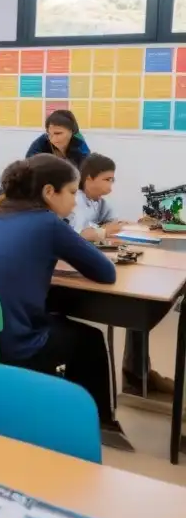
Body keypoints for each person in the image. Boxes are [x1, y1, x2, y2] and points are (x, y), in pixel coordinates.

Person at [0, 155, 128, 446]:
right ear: (48, 192)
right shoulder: (47, 223)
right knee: (90, 339)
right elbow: (106, 272)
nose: (74, 202)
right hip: (10, 345)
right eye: (71, 192)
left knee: (54, 320)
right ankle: (100, 426)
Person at [69, 154, 175, 400]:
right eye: (107, 180)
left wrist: (107, 229)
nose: (111, 186)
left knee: (141, 298)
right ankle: (136, 374)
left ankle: (137, 372)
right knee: (136, 302)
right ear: (89, 178)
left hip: (95, 260)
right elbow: (77, 233)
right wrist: (103, 231)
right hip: (79, 274)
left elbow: (111, 222)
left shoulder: (97, 201)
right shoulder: (76, 201)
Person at [26, 109, 90, 167]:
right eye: (49, 133)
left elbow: (87, 172)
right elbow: (27, 168)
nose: (52, 139)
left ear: (71, 131)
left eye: (58, 133)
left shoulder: (80, 147)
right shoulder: (40, 144)